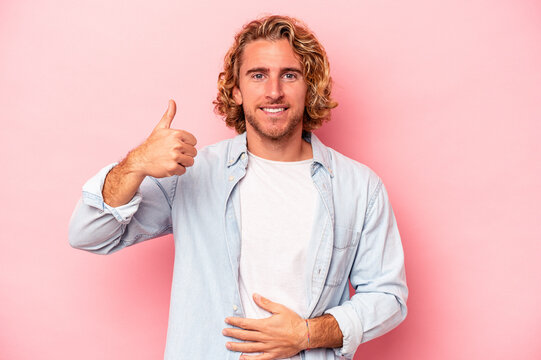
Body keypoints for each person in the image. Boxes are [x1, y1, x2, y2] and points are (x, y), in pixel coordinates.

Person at [69, 15, 408, 360]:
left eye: (289, 75)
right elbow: (88, 233)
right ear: (236, 90)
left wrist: (307, 334)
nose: (273, 91)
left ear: (310, 87)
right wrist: (136, 163)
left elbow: (388, 297)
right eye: (258, 75)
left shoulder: (359, 188)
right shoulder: (192, 174)